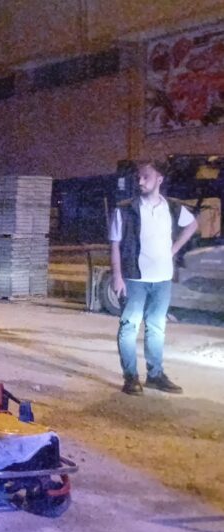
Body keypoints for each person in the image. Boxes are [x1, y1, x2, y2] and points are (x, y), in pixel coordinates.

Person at [109, 159, 198, 395]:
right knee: (129, 326)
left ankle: (155, 375)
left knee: (157, 327)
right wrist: (117, 276)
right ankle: (131, 377)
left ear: (159, 179)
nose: (140, 181)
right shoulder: (125, 209)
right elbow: (115, 244)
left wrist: (174, 249)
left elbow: (192, 225)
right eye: (138, 177)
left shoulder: (172, 208)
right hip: (134, 278)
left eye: (146, 177)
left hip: (162, 279)